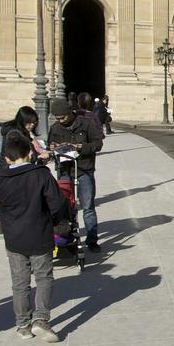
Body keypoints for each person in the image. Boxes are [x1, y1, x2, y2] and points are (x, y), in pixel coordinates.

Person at [0, 130, 66, 342]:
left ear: (7, 158)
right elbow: (57, 204)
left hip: (14, 238)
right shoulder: (41, 174)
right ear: (29, 153)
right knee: (44, 277)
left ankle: (23, 325)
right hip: (39, 234)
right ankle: (41, 320)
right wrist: (53, 221)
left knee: (20, 282)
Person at [48, 96, 103, 251]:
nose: (60, 120)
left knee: (88, 206)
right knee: (65, 206)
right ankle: (67, 237)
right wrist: (53, 147)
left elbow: (98, 144)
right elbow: (50, 146)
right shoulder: (55, 128)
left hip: (84, 168)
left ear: (70, 112)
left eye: (63, 117)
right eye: (57, 118)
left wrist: (80, 147)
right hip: (65, 170)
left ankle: (92, 240)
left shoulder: (86, 124)